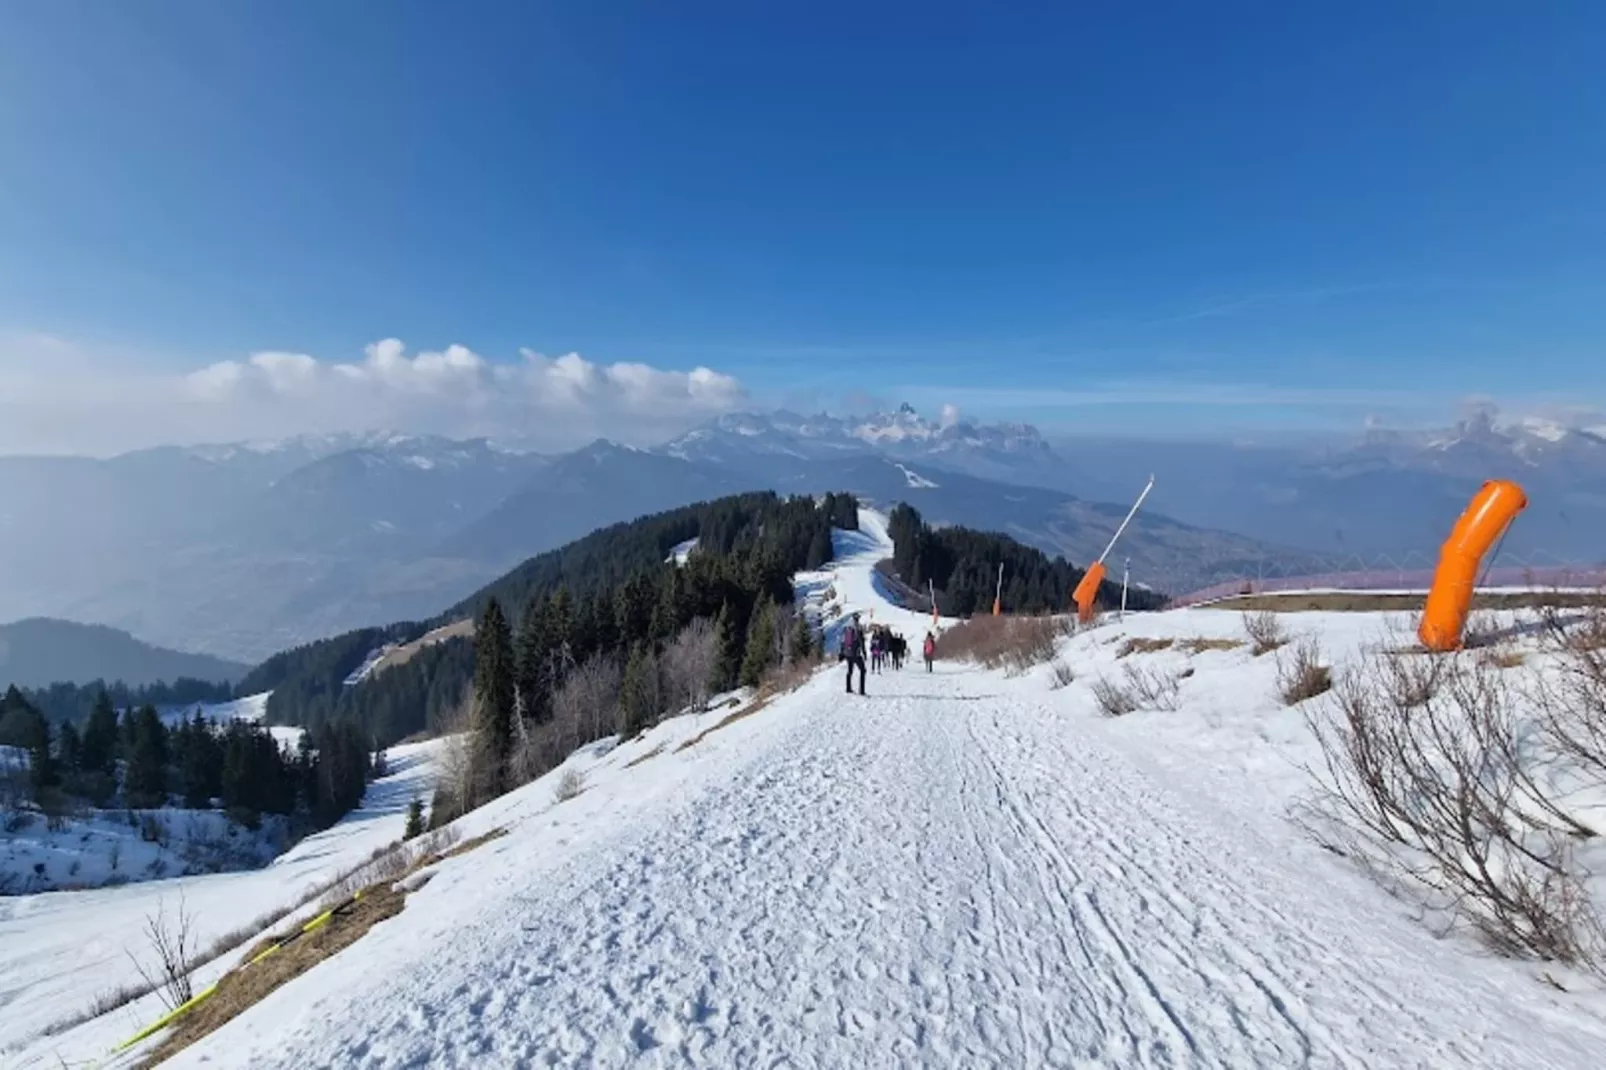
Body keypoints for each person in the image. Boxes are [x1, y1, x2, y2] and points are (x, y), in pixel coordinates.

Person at [841, 614, 867, 695]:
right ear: (857, 619)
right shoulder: (858, 628)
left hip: (847, 653)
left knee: (850, 670)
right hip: (855, 653)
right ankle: (861, 690)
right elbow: (861, 641)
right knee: (863, 670)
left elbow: (842, 641)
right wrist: (864, 652)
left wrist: (842, 652)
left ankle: (848, 688)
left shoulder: (847, 628)